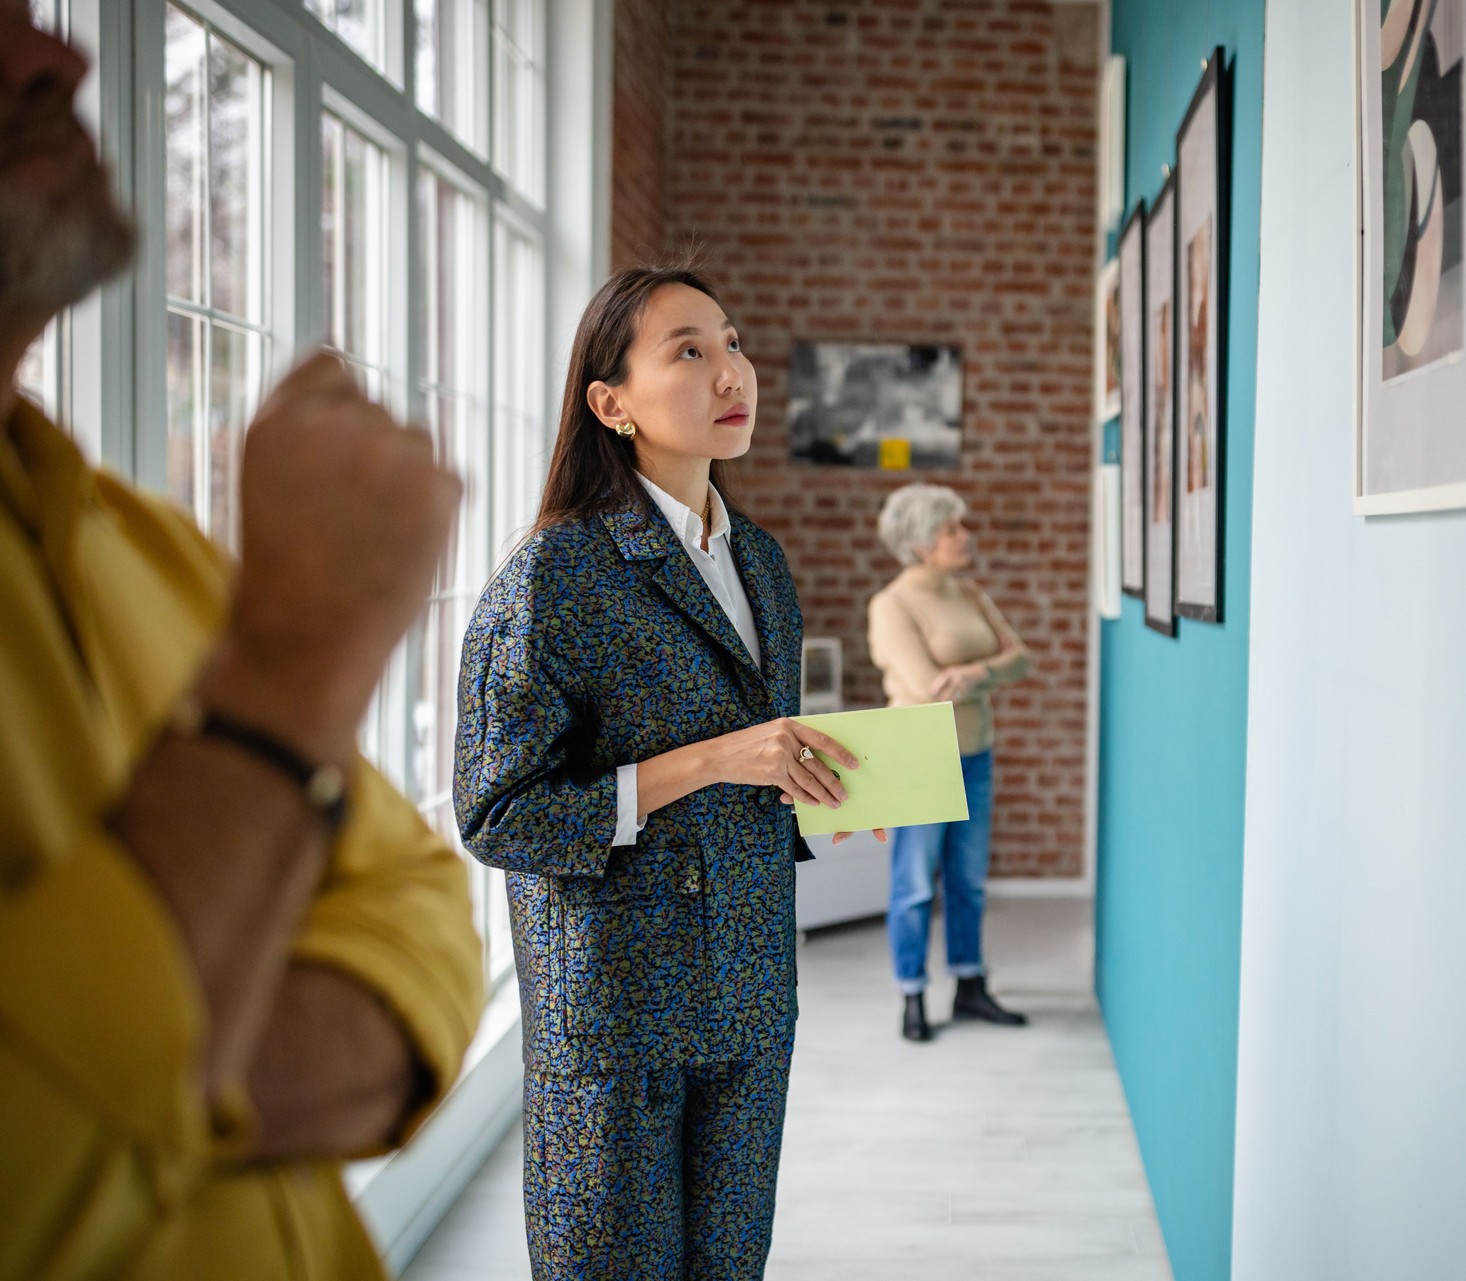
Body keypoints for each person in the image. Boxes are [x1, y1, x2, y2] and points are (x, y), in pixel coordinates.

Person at [0, 6, 484, 1279]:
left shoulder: (156, 554)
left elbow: (427, 909)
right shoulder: (262, 604)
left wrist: (177, 1081)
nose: (60, 54)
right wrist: (291, 656)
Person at [454, 263, 879, 1279]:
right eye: (688, 351)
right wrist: (715, 760)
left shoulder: (760, 564)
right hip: (616, 1019)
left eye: (731, 343)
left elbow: (752, 768)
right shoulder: (553, 578)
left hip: (751, 991)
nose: (730, 371)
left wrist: (819, 801)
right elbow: (497, 816)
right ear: (612, 404)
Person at [867, 483, 1033, 1042]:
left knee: (968, 880)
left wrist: (980, 673)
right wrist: (984, 670)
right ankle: (911, 992)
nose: (965, 536)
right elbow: (923, 685)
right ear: (919, 543)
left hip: (975, 754)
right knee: (915, 883)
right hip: (918, 757)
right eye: (951, 529)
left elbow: (1020, 658)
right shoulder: (891, 605)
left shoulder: (971, 595)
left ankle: (969, 984)